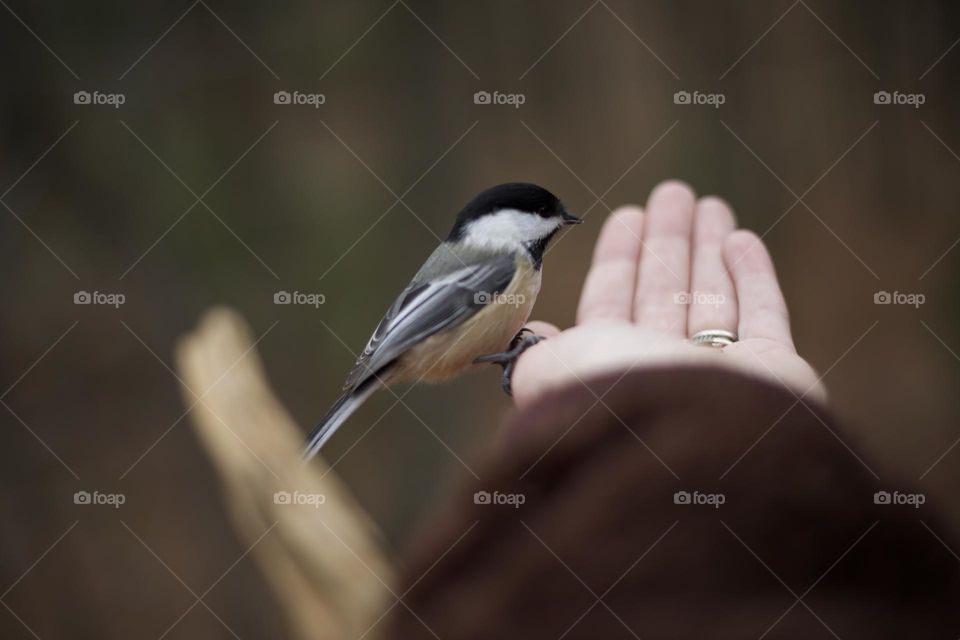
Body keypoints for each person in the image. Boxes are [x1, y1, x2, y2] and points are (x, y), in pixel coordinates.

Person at [389, 182, 960, 639]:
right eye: (546, 213)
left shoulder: (489, 606)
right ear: (512, 221)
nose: (558, 221)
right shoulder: (499, 257)